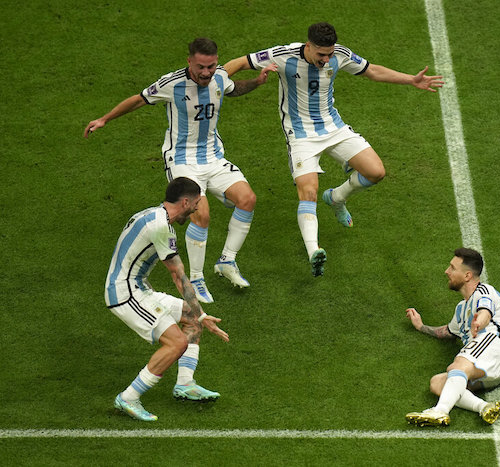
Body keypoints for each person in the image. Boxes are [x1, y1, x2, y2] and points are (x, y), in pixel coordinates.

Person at [223, 22, 443, 276]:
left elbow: (372, 71)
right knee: (308, 192)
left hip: (333, 128)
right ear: (308, 47)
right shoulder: (283, 55)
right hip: (301, 135)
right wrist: (217, 83)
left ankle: (337, 198)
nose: (326, 60)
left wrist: (411, 80)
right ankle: (313, 250)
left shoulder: (340, 54)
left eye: (329, 54)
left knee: (376, 172)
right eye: (321, 55)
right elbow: (240, 61)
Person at [86, 38, 277, 302]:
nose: (206, 73)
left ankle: (226, 262)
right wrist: (104, 119)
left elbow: (233, 89)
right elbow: (139, 100)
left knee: (248, 199)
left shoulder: (219, 77)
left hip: (213, 156)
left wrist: (257, 82)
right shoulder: (171, 84)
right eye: (201, 67)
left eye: (211, 66)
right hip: (182, 160)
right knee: (201, 213)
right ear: (189, 61)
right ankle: (196, 279)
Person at [105, 177, 230, 422]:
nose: (196, 209)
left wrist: (199, 315)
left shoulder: (153, 215)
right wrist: (203, 314)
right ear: (185, 202)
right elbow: (177, 274)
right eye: (195, 204)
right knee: (176, 343)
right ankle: (128, 397)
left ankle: (185, 384)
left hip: (139, 288)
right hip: (125, 293)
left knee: (191, 320)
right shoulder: (161, 226)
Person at [404, 248, 500, 427]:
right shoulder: (461, 309)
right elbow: (447, 332)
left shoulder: (484, 291)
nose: (447, 272)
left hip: (493, 345)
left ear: (467, 275)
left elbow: (485, 310)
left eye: (452, 268)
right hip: (489, 371)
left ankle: (440, 411)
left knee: (458, 364)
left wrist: (480, 322)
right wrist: (421, 326)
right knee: (438, 383)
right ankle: (485, 407)